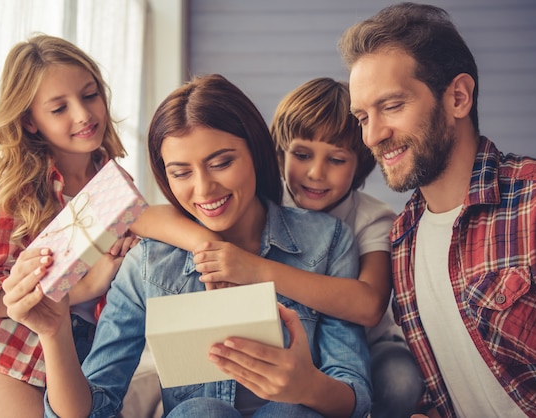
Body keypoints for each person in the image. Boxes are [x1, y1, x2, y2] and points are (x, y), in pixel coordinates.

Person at [2, 73, 372, 418]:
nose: (204, 189)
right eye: (181, 172)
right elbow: (97, 406)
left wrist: (308, 386)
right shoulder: (148, 265)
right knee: (201, 411)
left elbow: (355, 394)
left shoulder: (328, 241)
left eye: (222, 162)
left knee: (289, 411)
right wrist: (55, 334)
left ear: (257, 153)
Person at [131, 77, 424, 417]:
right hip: (286, 357)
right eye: (301, 154)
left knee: (399, 381)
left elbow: (369, 305)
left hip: (368, 344)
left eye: (336, 160)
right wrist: (204, 242)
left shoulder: (371, 218)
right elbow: (140, 217)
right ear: (280, 152)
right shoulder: (265, 199)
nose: (315, 173)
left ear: (361, 166)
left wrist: (256, 269)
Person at [337, 2, 536, 417]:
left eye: (391, 106)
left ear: (458, 97)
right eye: (362, 116)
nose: (372, 135)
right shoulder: (402, 241)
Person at [0, 34, 138, 418]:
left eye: (89, 96)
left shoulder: (119, 185)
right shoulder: (18, 190)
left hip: (78, 361)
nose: (83, 115)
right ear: (30, 123)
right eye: (59, 108)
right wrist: (79, 286)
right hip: (4, 356)